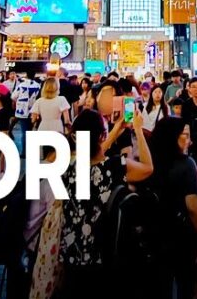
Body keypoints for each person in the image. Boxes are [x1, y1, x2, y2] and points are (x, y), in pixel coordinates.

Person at [57, 109, 153, 296]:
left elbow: (93, 153)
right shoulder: (115, 166)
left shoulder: (69, 167)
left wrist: (115, 130)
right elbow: (147, 168)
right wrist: (138, 130)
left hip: (72, 254)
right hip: (102, 256)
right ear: (102, 136)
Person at [147, 117, 197, 299]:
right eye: (185, 135)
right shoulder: (187, 165)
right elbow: (192, 206)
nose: (190, 141)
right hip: (182, 238)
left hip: (154, 236)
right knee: (186, 287)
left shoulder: (148, 164)